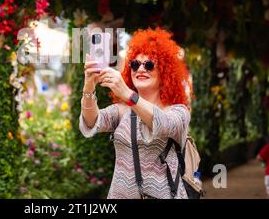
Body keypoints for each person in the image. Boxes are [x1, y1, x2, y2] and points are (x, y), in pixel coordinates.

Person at [80, 27, 192, 199]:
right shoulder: (122, 110)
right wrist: (89, 86)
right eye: (134, 64)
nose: (141, 69)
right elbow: (91, 121)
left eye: (149, 65)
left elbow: (162, 123)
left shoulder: (178, 112)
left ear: (164, 72)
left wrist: (126, 94)